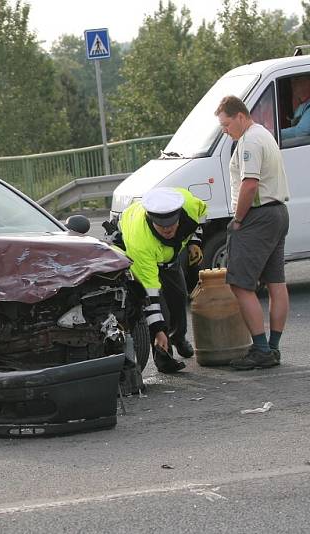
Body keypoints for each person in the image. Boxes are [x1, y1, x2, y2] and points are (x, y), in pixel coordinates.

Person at [215, 96, 290, 370]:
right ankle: (273, 348)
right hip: (278, 212)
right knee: (275, 282)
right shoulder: (264, 134)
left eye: (226, 125)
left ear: (240, 116)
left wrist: (237, 219)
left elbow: (249, 185)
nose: (225, 131)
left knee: (241, 284)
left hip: (258, 216)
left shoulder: (249, 141)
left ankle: (260, 349)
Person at [118, 187, 207, 374]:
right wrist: (158, 329)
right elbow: (150, 295)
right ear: (151, 219)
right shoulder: (140, 241)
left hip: (169, 258)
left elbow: (201, 214)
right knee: (160, 309)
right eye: (161, 226)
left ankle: (178, 337)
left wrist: (194, 242)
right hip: (143, 257)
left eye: (171, 226)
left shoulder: (189, 206)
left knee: (179, 297)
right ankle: (163, 356)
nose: (167, 230)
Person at [281, 75, 310, 140]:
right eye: (293, 83)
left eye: (299, 81)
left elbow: (301, 132)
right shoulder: (302, 105)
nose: (294, 86)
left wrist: (275, 134)